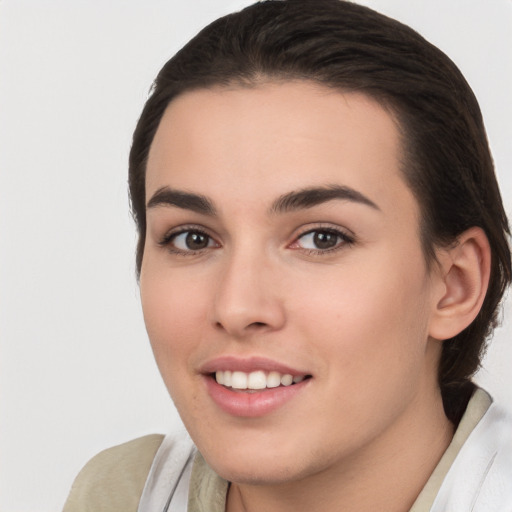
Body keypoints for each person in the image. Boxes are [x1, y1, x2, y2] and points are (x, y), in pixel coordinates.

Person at [63, 0, 512, 510]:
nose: (237, 307)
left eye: (322, 238)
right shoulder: (117, 495)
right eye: (193, 238)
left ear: (455, 284)